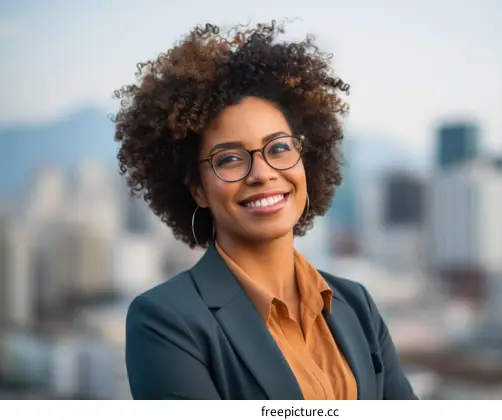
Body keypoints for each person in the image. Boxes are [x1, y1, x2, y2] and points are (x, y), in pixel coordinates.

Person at [115, 20, 417, 400]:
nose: (262, 173)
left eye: (278, 148)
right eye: (229, 159)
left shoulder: (356, 305)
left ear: (305, 160)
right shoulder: (165, 321)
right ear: (197, 190)